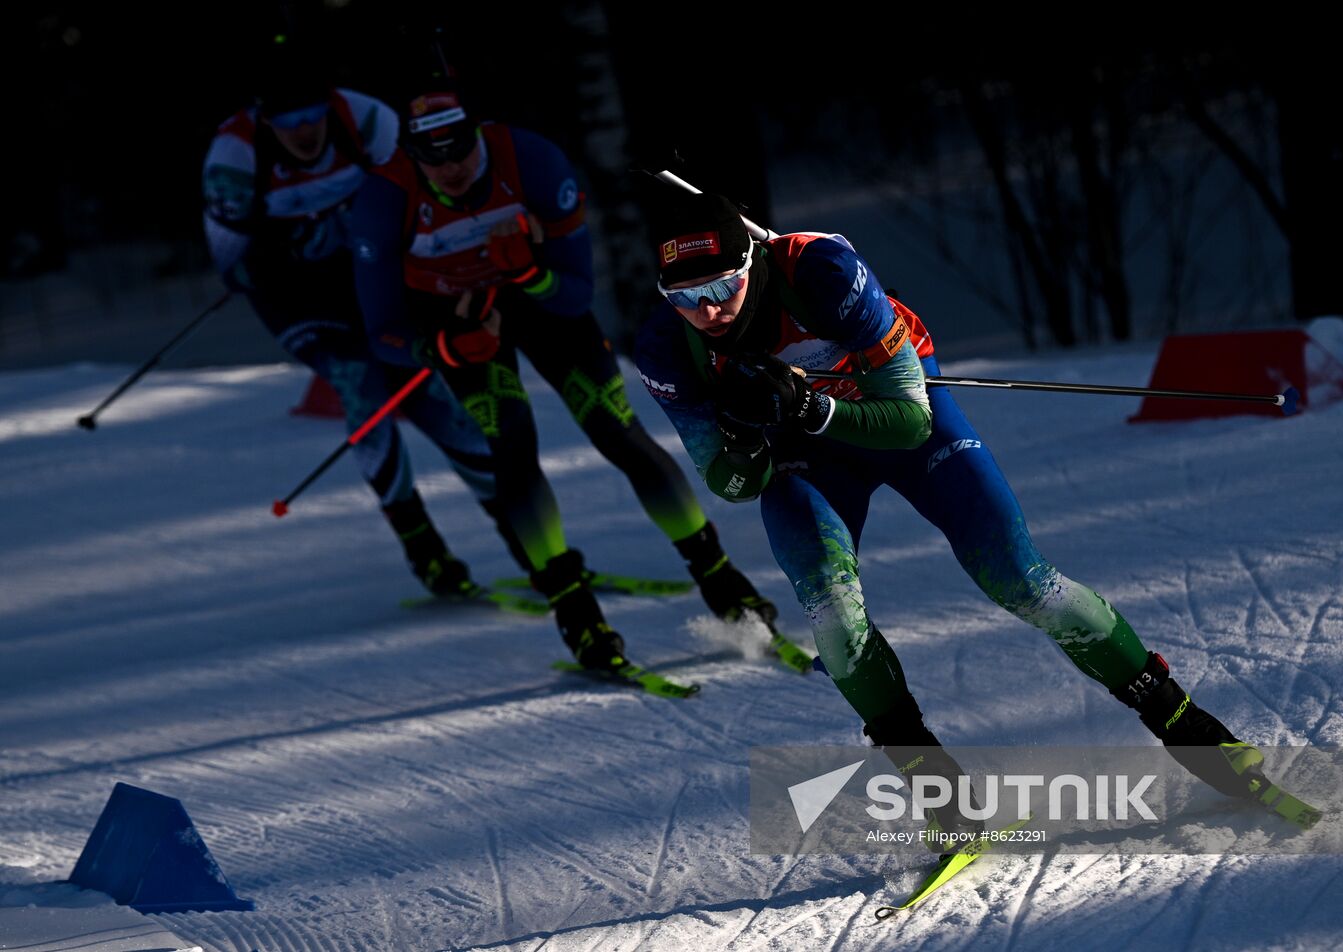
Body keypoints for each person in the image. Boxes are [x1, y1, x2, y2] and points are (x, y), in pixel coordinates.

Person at [635, 190, 1278, 833]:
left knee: (1024, 583)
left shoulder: (824, 275)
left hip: (898, 416)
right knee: (832, 616)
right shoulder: (668, 347)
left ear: (752, 262)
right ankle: (943, 798)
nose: (708, 310)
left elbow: (910, 422)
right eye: (685, 297)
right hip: (806, 454)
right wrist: (747, 436)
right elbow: (731, 482)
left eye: (721, 287)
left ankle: (1184, 724)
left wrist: (811, 408)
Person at [347, 71, 776, 671]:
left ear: (479, 135)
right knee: (511, 446)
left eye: (460, 151)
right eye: (429, 158)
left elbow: (573, 296)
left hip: (544, 308)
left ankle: (719, 576)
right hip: (461, 326)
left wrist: (526, 274)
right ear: (409, 155)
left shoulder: (531, 162)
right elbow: (383, 334)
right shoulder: (383, 199)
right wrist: (444, 345)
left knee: (615, 428)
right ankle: (573, 609)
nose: (449, 170)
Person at [202, 38, 517, 596]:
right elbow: (233, 263)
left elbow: (422, 198)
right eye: (286, 120)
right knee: (361, 383)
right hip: (298, 298)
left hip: (372, 280)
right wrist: (290, 245)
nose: (304, 131)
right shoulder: (233, 156)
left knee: (430, 398)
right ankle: (425, 549)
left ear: (328, 101)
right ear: (262, 116)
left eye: (311, 113)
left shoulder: (365, 118)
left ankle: (523, 537)